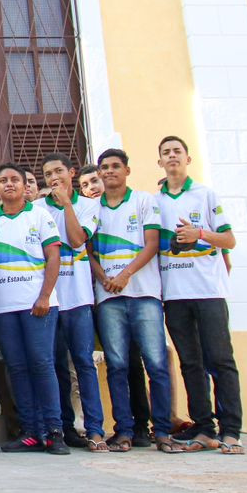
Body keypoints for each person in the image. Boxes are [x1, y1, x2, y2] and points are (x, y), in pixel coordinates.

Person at [155, 136, 242, 454]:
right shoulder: (155, 202)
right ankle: (204, 427)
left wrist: (200, 234)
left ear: (187, 159)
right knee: (190, 363)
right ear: (160, 162)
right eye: (166, 153)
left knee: (220, 360)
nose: (172, 156)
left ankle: (231, 430)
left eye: (177, 151)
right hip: (174, 294)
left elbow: (229, 240)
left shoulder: (206, 195)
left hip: (208, 291)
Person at [90, 148, 178, 453]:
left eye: (116, 166)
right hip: (109, 297)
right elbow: (88, 251)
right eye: (105, 167)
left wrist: (125, 275)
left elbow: (152, 243)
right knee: (116, 365)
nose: (110, 171)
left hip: (144, 294)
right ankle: (124, 431)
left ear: (127, 170)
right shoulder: (92, 209)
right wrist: (103, 277)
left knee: (155, 364)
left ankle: (163, 430)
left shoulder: (144, 201)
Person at [0, 164, 67, 454]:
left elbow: (53, 257)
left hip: (37, 305)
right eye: (2, 180)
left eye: (14, 180)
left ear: (24, 185)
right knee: (16, 367)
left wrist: (45, 295)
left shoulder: (40, 215)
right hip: (5, 309)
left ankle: (55, 432)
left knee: (42, 364)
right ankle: (30, 432)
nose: (8, 185)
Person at [39, 153, 107, 452]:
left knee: (84, 364)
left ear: (71, 173)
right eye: (48, 174)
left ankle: (95, 429)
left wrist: (67, 204)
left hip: (79, 299)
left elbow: (78, 239)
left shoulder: (90, 205)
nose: (54, 178)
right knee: (55, 366)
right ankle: (65, 428)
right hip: (51, 300)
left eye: (58, 172)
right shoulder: (38, 209)